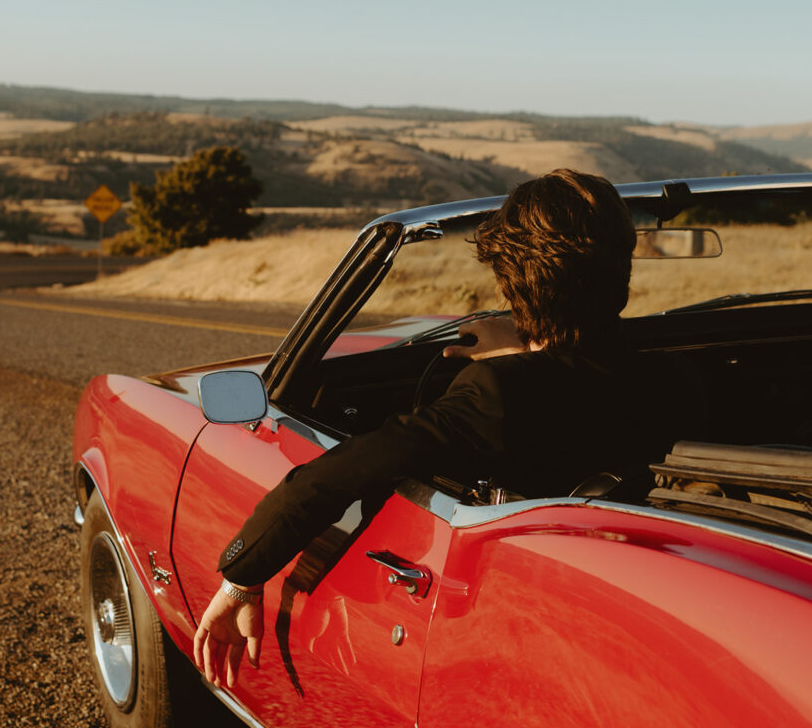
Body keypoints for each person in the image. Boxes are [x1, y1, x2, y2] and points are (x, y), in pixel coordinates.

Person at [194, 169, 694, 687]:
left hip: (501, 617)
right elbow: (587, 382)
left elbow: (334, 477)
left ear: (511, 278)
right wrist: (533, 354)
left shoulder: (493, 394)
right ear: (621, 266)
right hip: (652, 587)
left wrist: (240, 581)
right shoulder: (676, 377)